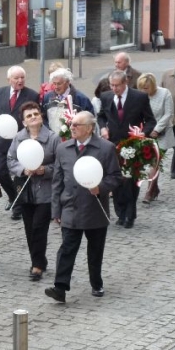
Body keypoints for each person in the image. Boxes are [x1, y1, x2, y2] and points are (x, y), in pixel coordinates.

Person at [44, 111, 122, 303]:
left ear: (89, 128)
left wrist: (100, 187)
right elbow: (57, 182)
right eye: (71, 124)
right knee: (67, 248)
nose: (72, 127)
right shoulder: (63, 149)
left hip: (95, 208)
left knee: (95, 251)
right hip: (70, 207)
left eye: (76, 125)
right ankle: (60, 288)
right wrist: (56, 210)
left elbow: (115, 177)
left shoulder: (106, 148)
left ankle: (96, 283)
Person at [7, 102, 61, 281]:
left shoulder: (53, 138)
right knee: (29, 228)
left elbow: (60, 164)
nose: (33, 117)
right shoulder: (18, 138)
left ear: (41, 116)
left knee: (39, 228)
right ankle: (39, 260)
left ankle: (37, 266)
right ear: (24, 122)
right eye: (29, 116)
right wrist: (23, 170)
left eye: (36, 114)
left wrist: (44, 170)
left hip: (46, 191)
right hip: (26, 191)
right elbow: (11, 159)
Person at [97, 71, 156, 228]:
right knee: (116, 180)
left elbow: (151, 120)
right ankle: (120, 213)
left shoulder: (139, 97)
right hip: (113, 145)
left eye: (117, 85)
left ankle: (130, 215)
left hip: (133, 145)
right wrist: (103, 128)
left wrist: (143, 133)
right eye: (112, 85)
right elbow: (101, 116)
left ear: (125, 83)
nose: (114, 88)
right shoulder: (106, 97)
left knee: (130, 181)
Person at [0, 65, 39, 220]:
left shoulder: (32, 95)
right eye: (16, 78)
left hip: (22, 142)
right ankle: (13, 197)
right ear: (9, 79)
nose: (20, 80)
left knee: (19, 174)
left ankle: (18, 208)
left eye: (22, 77)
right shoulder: (0, 93)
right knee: (0, 171)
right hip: (2, 142)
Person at [137, 73, 175, 204]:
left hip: (162, 133)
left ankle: (149, 191)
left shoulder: (164, 94)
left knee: (155, 161)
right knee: (150, 162)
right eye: (141, 88)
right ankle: (154, 188)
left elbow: (168, 114)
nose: (143, 91)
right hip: (146, 133)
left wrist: (157, 129)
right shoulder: (139, 97)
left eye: (146, 88)